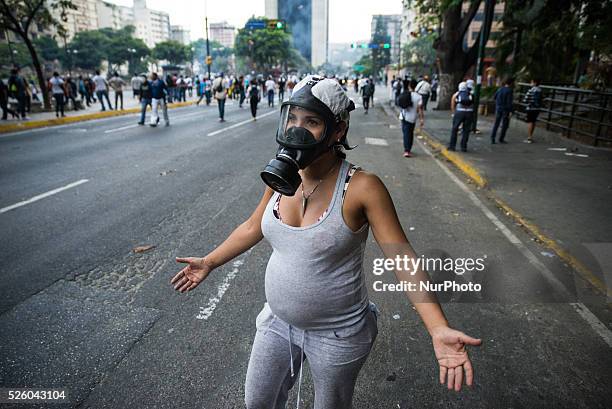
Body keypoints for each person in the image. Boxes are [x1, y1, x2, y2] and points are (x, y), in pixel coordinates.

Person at [171, 75, 480, 409]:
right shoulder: (282, 175)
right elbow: (251, 226)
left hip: (338, 335)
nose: (296, 130)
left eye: (312, 121)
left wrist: (437, 328)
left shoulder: (362, 187)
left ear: (338, 130)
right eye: (292, 118)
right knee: (257, 402)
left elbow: (401, 257)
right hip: (277, 323)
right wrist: (210, 261)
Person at [397, 79, 424, 157]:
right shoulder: (419, 97)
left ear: (409, 86)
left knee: (406, 134)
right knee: (410, 133)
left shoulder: (405, 94)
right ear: (416, 86)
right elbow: (420, 109)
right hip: (413, 118)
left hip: (404, 116)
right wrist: (421, 119)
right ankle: (408, 149)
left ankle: (407, 150)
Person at [449, 82, 474, 152]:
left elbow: (452, 104)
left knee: (455, 129)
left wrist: (453, 113)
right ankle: (463, 147)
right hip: (469, 113)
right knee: (466, 130)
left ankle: (452, 146)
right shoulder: (470, 94)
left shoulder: (457, 94)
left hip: (459, 112)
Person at [490, 77, 514, 144]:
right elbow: (509, 102)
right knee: (504, 124)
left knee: (496, 123)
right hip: (505, 109)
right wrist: (511, 111)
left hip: (498, 108)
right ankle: (501, 138)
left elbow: (494, 97)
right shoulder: (509, 91)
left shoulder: (500, 89)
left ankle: (493, 138)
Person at [523, 79, 542, 143]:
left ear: (535, 83)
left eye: (531, 82)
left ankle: (529, 137)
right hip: (537, 109)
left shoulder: (530, 90)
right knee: (533, 122)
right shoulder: (540, 90)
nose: (530, 83)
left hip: (530, 108)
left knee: (530, 122)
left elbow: (525, 100)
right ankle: (530, 136)